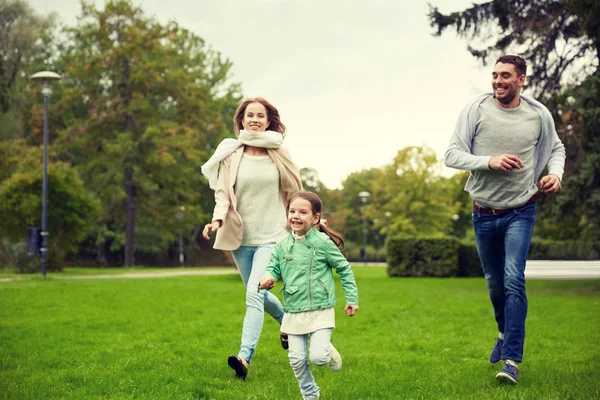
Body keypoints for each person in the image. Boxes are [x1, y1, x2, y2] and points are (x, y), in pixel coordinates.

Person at [444, 55, 566, 384]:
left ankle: (511, 359)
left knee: (514, 278)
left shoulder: (538, 114)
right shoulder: (476, 109)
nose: (498, 81)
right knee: (494, 283)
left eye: (506, 76)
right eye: (495, 75)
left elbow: (557, 148)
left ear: (521, 80)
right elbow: (451, 154)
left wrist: (555, 174)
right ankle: (502, 330)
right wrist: (489, 160)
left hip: (521, 210)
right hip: (483, 212)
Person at [201, 97, 303, 379]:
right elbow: (222, 194)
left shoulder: (279, 152)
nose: (255, 120)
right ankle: (287, 321)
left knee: (253, 294)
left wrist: (305, 220)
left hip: (273, 237)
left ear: (269, 121)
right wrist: (216, 220)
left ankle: (244, 357)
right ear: (241, 121)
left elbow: (295, 192)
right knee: (257, 292)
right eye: (250, 116)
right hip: (241, 239)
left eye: (260, 115)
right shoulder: (231, 154)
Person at [259, 191, 359, 400]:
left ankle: (325, 348)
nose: (296, 215)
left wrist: (352, 298)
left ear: (315, 218)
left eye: (303, 212)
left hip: (320, 308)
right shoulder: (282, 245)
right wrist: (268, 278)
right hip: (294, 309)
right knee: (296, 359)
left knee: (319, 358)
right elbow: (272, 268)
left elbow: (344, 269)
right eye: (292, 211)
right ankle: (310, 394)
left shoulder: (322, 242)